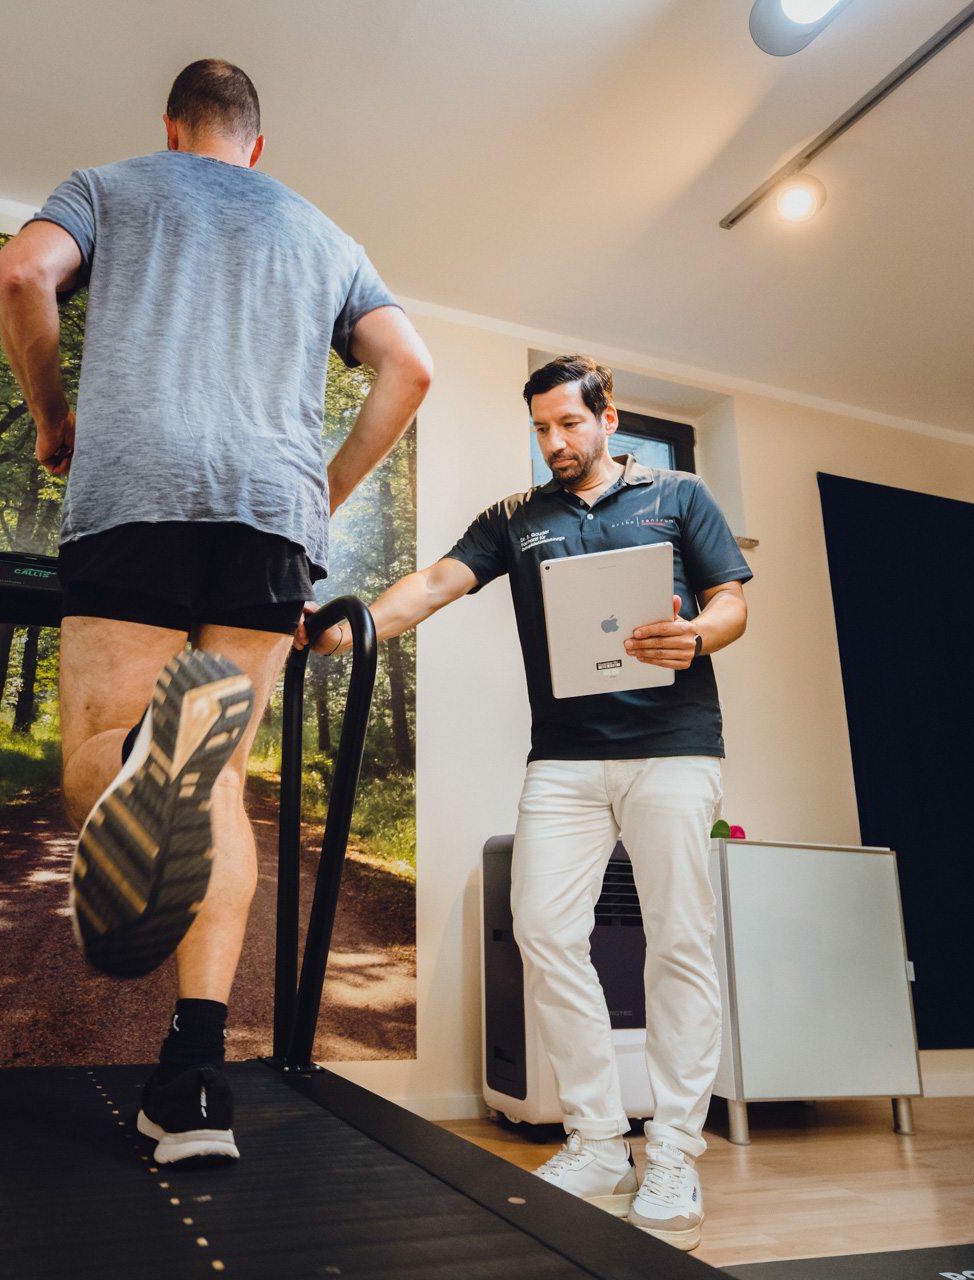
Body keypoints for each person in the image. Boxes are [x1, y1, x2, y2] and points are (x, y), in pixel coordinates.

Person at [0, 58, 433, 1167]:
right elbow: (410, 370)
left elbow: (19, 279)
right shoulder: (326, 234)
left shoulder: (113, 184)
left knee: (100, 749)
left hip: (135, 489)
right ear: (256, 146)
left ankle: (142, 746)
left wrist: (53, 417)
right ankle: (194, 1080)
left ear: (174, 130)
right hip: (269, 522)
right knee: (221, 780)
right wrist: (316, 494)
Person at [301, 354, 749, 1250]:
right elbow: (432, 583)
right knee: (543, 930)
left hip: (673, 750)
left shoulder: (680, 495)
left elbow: (730, 600)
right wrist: (345, 628)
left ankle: (671, 1153)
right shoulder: (518, 518)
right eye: (541, 428)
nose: (555, 442)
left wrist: (696, 636)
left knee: (680, 939)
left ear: (608, 417)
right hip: (566, 760)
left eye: (570, 425)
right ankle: (595, 1143)